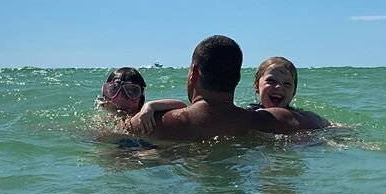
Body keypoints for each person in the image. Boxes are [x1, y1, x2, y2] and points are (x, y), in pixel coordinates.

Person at [127, 35, 328, 141]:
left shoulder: (152, 124)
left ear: (194, 73)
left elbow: (103, 137)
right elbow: (325, 126)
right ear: (238, 78)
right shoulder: (275, 120)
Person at [96, 67, 186, 134]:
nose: (121, 97)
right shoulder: (103, 122)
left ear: (140, 97)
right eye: (113, 90)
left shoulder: (142, 116)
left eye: (131, 91)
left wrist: (151, 106)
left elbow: (182, 105)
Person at [248, 56, 330, 129]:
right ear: (256, 85)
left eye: (287, 84)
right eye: (271, 81)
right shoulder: (249, 114)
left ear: (293, 92)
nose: (279, 87)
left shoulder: (302, 117)